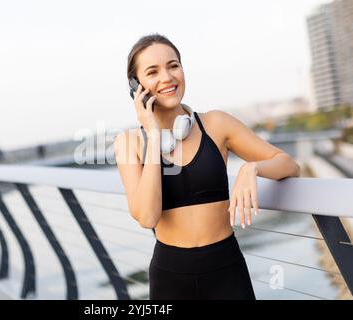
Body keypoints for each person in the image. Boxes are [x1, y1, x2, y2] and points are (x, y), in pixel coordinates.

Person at [113, 33, 301, 300]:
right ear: (136, 86)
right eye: (152, 72)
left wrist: (252, 169)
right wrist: (153, 135)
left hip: (227, 270)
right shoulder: (129, 143)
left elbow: (289, 164)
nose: (167, 77)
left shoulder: (217, 124)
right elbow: (147, 216)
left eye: (173, 65)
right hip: (170, 278)